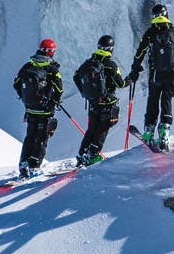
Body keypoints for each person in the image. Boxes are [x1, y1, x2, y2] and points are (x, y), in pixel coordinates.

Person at [127, 3, 174, 149]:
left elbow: (140, 53)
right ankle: (164, 132)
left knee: (153, 100)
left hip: (156, 74)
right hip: (172, 73)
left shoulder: (150, 33)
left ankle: (149, 131)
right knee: (167, 99)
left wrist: (135, 69)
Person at [12, 38, 64, 178]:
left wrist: (25, 99)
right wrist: (55, 100)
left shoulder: (27, 66)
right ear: (51, 52)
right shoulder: (51, 69)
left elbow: (16, 83)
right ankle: (34, 167)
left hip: (30, 109)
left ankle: (23, 166)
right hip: (45, 109)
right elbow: (59, 88)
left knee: (30, 137)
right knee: (41, 138)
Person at [73, 34, 126, 165]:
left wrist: (84, 92)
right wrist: (130, 80)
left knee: (91, 129)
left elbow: (76, 76)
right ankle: (93, 155)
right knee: (103, 129)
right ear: (110, 48)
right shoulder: (111, 65)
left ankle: (82, 154)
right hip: (107, 102)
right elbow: (120, 84)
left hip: (93, 101)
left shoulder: (89, 63)